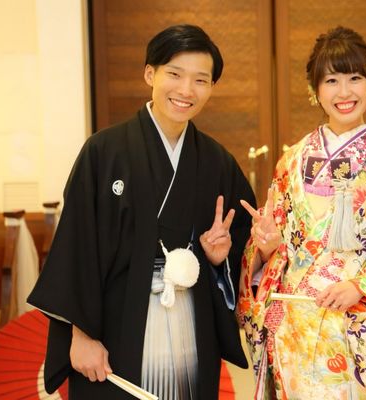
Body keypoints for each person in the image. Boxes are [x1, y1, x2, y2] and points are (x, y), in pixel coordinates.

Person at [27, 24, 255, 400]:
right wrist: (80, 336)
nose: (186, 90)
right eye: (175, 74)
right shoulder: (103, 152)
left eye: (201, 80)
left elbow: (244, 246)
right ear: (150, 73)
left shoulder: (217, 162)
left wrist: (219, 262)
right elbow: (77, 247)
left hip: (191, 329)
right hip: (115, 330)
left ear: (211, 87)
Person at [237, 26, 366, 399]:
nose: (344, 92)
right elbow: (277, 248)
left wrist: (359, 287)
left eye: (355, 78)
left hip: (365, 321)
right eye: (331, 81)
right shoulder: (292, 160)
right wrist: (268, 246)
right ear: (315, 90)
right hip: (300, 325)